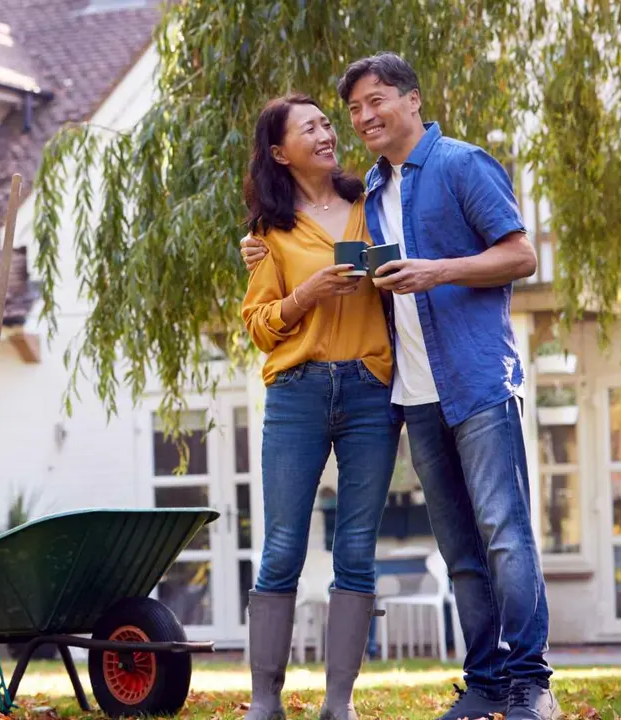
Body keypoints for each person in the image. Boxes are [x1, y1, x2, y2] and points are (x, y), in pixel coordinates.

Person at [239, 54, 559, 720]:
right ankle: (484, 682)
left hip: (442, 384)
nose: (354, 122)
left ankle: (527, 682)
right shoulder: (349, 202)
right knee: (456, 549)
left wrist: (437, 272)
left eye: (368, 104)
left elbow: (520, 256)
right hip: (394, 393)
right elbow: (267, 313)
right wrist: (287, 276)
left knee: (498, 531)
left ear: (413, 100)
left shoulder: (432, 177)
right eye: (346, 111)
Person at [239, 93, 401, 720]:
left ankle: (340, 702)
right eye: (310, 127)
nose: (327, 132)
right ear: (280, 152)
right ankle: (264, 700)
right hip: (297, 391)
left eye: (327, 123)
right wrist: (307, 293)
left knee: (357, 546)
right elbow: (259, 325)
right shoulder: (269, 234)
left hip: (368, 388)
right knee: (282, 545)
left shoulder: (373, 205)